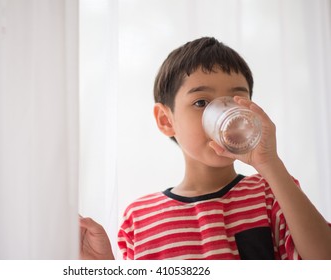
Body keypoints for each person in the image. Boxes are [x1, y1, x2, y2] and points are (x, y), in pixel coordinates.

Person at [80, 37, 331, 260]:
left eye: (236, 100)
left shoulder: (272, 192)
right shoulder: (140, 217)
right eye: (201, 102)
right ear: (166, 120)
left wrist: (270, 163)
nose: (224, 112)